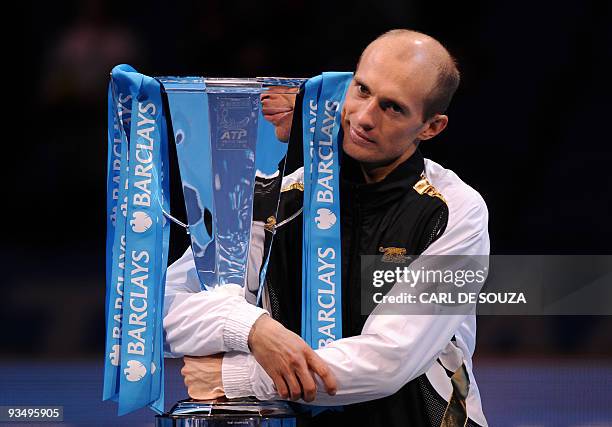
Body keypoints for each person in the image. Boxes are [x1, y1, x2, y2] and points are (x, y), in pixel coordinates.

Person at [164, 29, 490, 426]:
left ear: (431, 127)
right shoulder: (279, 198)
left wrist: (235, 375)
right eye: (363, 90)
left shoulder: (456, 211)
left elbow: (387, 360)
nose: (366, 118)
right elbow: (167, 309)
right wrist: (251, 329)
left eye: (393, 108)